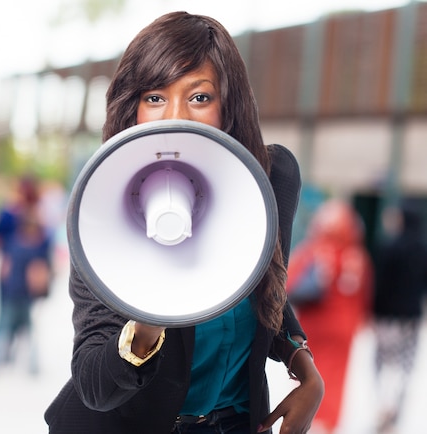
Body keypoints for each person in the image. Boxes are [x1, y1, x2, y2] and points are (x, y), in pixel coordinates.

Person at [45, 11, 324, 434]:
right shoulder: (101, 205)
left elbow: (267, 281)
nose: (176, 116)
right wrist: (145, 324)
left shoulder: (269, 177)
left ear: (228, 104)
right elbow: (93, 385)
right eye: (155, 98)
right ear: (132, 107)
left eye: (199, 98)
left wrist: (303, 366)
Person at [286, 199, 373, 433]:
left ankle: (309, 420)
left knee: (310, 373)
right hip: (345, 327)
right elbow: (365, 295)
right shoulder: (358, 256)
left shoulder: (313, 250)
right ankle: (328, 422)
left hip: (314, 325)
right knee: (337, 377)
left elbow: (289, 284)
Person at [0, 175, 53, 375]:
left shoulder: (14, 224)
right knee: (26, 326)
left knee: (6, 323)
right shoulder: (36, 225)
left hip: (14, 286)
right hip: (22, 288)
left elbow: (0, 246)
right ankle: (23, 362)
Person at [372, 200, 427, 433]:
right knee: (404, 365)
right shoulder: (423, 249)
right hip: (411, 318)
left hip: (387, 317)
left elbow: (380, 285)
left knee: (383, 363)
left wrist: (372, 313)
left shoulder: (389, 246)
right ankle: (394, 412)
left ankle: (384, 407)